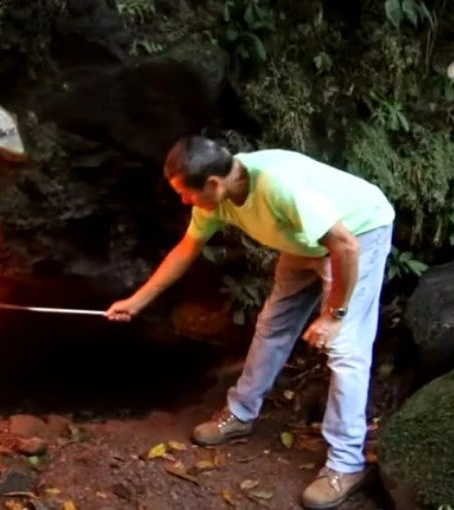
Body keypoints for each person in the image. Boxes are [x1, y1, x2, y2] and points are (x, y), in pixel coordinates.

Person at [105, 136, 395, 510]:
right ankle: (240, 413)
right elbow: (186, 250)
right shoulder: (219, 196)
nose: (184, 201)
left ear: (213, 184)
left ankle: (346, 464)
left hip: (358, 232)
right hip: (304, 239)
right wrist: (137, 302)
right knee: (272, 326)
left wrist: (334, 315)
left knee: (345, 349)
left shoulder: (279, 187)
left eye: (186, 193)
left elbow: (345, 245)